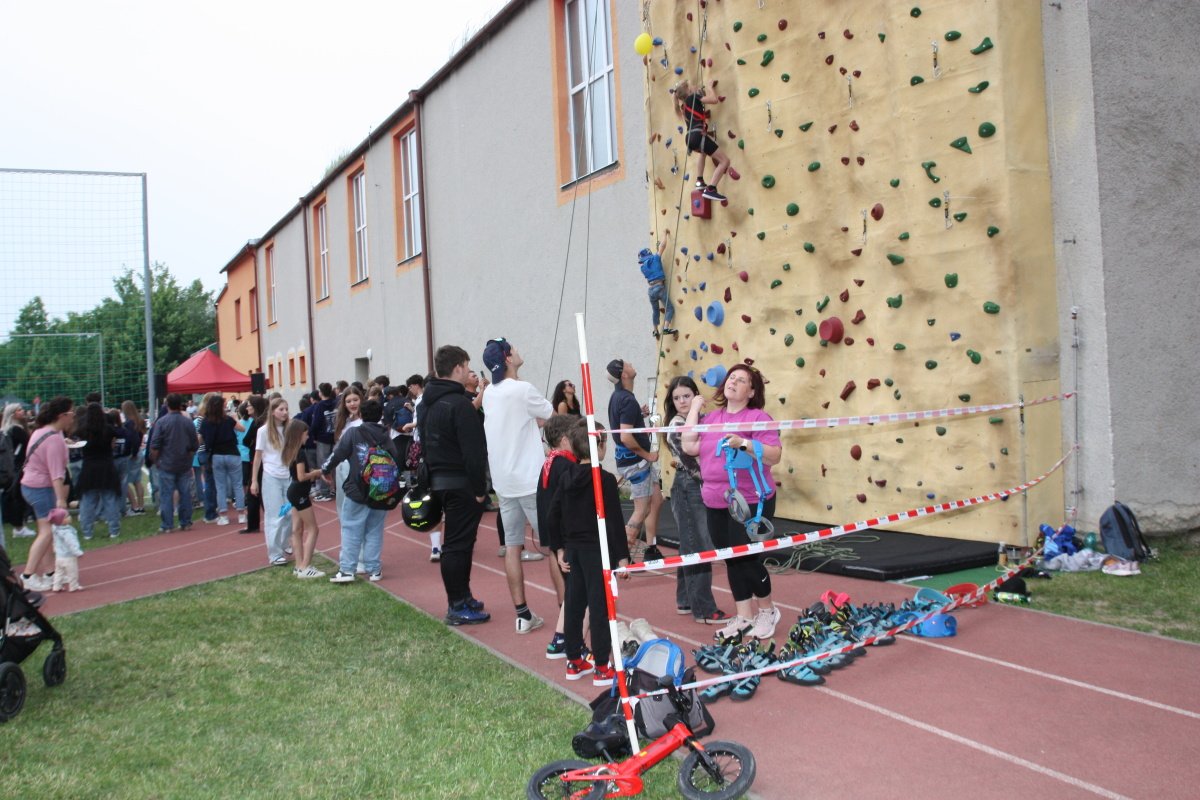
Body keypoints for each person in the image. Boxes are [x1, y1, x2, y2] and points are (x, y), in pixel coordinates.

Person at [680, 364, 783, 641]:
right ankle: (744, 616)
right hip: (715, 500)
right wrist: (694, 408)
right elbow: (689, 446)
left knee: (746, 558)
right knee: (731, 560)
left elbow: (774, 455)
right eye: (731, 378)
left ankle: (768, 610)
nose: (733, 382)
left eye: (741, 380)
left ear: (751, 391)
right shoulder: (712, 418)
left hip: (750, 502)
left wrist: (744, 444)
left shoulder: (758, 418)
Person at [548, 421, 630, 687]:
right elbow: (614, 522)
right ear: (600, 446)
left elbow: (553, 515)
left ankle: (574, 660)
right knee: (600, 608)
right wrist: (622, 557)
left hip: (573, 551)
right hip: (597, 553)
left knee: (574, 604)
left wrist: (559, 548)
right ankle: (602, 667)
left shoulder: (565, 477)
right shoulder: (604, 480)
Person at [481, 337, 553, 634]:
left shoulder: (489, 393)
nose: (518, 351)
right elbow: (550, 415)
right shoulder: (522, 389)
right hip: (530, 481)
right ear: (508, 358)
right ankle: (568, 612)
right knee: (555, 545)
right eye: (513, 349)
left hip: (504, 483)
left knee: (512, 546)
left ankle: (522, 615)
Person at [421, 345, 491, 626]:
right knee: (457, 546)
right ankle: (457, 604)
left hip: (440, 480)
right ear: (458, 367)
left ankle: (463, 596)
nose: (469, 371)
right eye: (467, 366)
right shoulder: (459, 405)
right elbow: (474, 452)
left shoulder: (428, 403)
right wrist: (479, 490)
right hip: (461, 484)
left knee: (459, 544)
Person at [663, 376, 727, 624]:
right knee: (699, 546)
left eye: (686, 396)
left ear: (696, 395)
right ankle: (704, 608)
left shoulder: (701, 420)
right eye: (676, 398)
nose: (681, 401)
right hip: (689, 485)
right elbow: (692, 463)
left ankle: (685, 600)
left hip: (696, 485)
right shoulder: (677, 425)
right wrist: (715, 479)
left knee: (690, 545)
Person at [322, 399, 399, 583]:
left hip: (358, 488)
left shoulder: (354, 433)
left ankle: (347, 570)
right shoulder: (386, 435)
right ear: (380, 415)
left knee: (351, 528)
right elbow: (395, 459)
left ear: (361, 415)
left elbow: (338, 454)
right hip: (381, 490)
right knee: (374, 530)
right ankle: (374, 569)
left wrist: (325, 469)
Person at [605, 359, 663, 562]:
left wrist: (639, 414)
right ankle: (620, 556)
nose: (631, 364)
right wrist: (648, 455)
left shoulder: (619, 397)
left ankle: (651, 548)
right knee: (642, 509)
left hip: (632, 461)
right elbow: (626, 437)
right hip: (637, 462)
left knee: (656, 500)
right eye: (627, 364)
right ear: (624, 374)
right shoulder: (627, 400)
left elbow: (622, 425)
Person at [536, 414, 582, 659]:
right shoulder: (567, 466)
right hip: (569, 536)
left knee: (574, 588)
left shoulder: (550, 462)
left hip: (556, 533)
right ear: (565, 439)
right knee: (581, 590)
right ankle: (566, 639)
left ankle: (565, 637)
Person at [18, 396, 74, 590]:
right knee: (47, 532)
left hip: (31, 485)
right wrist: (61, 500)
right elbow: (56, 473)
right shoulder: (53, 439)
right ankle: (28, 575)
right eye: (71, 412)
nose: (73, 416)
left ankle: (50, 573)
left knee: (47, 532)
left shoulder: (42, 432)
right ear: (62, 415)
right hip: (40, 488)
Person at [673, 77, 731, 202]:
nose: (695, 86)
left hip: (690, 138)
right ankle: (711, 188)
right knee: (725, 161)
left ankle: (699, 180)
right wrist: (709, 86)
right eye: (692, 85)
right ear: (688, 90)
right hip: (698, 135)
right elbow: (714, 100)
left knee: (703, 153)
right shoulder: (693, 97)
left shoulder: (684, 107)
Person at [250, 396, 292, 566]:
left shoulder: (289, 429)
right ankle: (274, 554)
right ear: (273, 412)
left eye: (286, 409)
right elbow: (258, 457)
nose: (284, 412)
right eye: (281, 409)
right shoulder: (263, 431)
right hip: (271, 477)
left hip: (288, 476)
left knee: (290, 514)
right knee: (275, 516)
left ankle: (283, 543)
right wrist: (254, 480)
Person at [280, 419, 324, 579]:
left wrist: (314, 472)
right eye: (306, 434)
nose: (308, 436)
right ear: (299, 434)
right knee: (313, 529)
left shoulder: (291, 451)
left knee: (297, 529)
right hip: (299, 493)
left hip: (294, 492)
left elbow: (300, 472)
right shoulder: (300, 452)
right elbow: (301, 476)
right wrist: (316, 473)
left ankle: (299, 566)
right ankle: (305, 566)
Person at [149, 393, 198, 533]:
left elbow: (155, 444)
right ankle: (185, 522)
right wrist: (188, 457)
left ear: (167, 405)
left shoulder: (161, 422)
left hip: (166, 462)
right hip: (183, 462)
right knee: (185, 493)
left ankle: (167, 524)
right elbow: (194, 444)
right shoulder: (188, 422)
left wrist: (156, 460)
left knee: (166, 494)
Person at [75, 402, 123, 540]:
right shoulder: (108, 429)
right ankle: (114, 530)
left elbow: (76, 438)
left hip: (89, 467)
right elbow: (117, 436)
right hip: (106, 465)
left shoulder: (83, 430)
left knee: (87, 501)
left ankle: (87, 532)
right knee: (110, 499)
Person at [199, 394, 245, 526]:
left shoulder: (206, 421)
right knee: (237, 485)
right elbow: (242, 428)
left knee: (220, 486)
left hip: (216, 455)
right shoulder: (228, 419)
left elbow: (200, 439)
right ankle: (241, 514)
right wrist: (235, 418)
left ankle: (223, 516)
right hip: (232, 453)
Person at [2, 403, 34, 539]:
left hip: (14, 465)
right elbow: (29, 444)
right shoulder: (16, 430)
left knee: (16, 496)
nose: (23, 411)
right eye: (19, 410)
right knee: (19, 497)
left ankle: (19, 525)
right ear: (13, 414)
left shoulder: (6, 430)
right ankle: (19, 526)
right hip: (20, 465)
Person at [638, 230, 677, 339]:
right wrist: (665, 234)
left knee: (655, 311)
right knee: (670, 308)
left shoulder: (643, 267)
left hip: (651, 290)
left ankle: (655, 330)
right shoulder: (655, 258)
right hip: (659, 287)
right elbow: (663, 246)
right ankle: (666, 328)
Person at [237, 396, 266, 534]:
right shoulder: (258, 421)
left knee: (258, 491)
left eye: (249, 405)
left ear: (255, 406)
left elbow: (246, 440)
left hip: (260, 461)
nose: (247, 407)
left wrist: (252, 444)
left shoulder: (258, 423)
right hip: (257, 459)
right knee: (253, 493)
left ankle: (258, 523)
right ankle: (253, 524)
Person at [308, 382, 337, 502]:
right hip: (334, 437)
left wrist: (313, 436)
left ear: (321, 393)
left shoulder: (319, 406)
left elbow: (316, 423)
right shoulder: (335, 403)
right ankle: (334, 489)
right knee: (334, 463)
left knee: (323, 465)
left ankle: (325, 492)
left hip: (322, 438)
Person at [120, 400, 147, 515]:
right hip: (139, 452)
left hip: (133, 454)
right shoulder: (140, 421)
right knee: (137, 481)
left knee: (124, 481)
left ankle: (134, 506)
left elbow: (133, 439)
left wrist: (132, 453)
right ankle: (141, 506)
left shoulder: (129, 424)